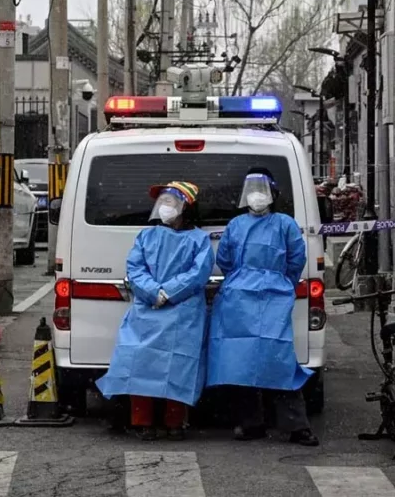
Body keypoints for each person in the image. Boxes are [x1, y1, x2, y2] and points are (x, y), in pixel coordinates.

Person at [206, 169, 320, 447]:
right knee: (246, 362)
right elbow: (227, 259)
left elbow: (296, 259)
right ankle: (252, 422)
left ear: (272, 193)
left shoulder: (285, 224)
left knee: (278, 360)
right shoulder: (236, 225)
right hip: (246, 298)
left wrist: (273, 281)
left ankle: (292, 426)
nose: (257, 196)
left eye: (262, 189)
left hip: (266, 296)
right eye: (252, 189)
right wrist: (271, 280)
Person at [96, 181, 215, 441]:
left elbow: (198, 273)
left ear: (186, 208)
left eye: (171, 203)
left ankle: (174, 422)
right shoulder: (146, 236)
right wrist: (154, 292)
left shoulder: (199, 240)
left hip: (180, 313)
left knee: (179, 367)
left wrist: (167, 292)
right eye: (163, 203)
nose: (165, 208)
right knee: (140, 364)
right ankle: (142, 421)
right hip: (150, 309)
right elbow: (135, 268)